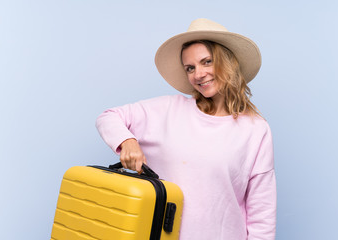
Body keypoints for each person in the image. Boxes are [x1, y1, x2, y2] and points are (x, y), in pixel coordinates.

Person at [96, 18, 276, 240]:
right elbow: (109, 117)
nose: (198, 74)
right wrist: (127, 141)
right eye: (190, 68)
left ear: (227, 62)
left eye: (207, 62)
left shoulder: (256, 129)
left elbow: (262, 215)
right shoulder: (167, 109)